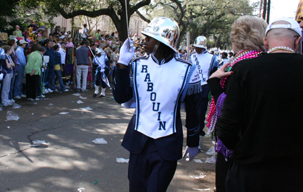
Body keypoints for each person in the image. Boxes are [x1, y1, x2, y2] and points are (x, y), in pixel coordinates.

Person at [113, 17, 201, 192]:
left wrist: (193, 141)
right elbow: (121, 97)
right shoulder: (138, 65)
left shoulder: (187, 70)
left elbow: (193, 111)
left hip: (167, 143)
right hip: (139, 141)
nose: (144, 42)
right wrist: (122, 65)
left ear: (161, 42)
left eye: (149, 38)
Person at [216, 17, 303, 192]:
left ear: (266, 41)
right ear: (298, 41)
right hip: (295, 174)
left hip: (249, 172)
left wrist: (242, 150)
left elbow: (226, 127)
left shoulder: (244, 69)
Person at [205, 16, 267, 192]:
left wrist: (214, 83)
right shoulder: (263, 61)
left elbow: (228, 107)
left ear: (237, 39)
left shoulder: (240, 67)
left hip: (237, 147)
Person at [186, 36, 218, 138]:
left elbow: (214, 72)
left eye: (198, 47)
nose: (196, 49)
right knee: (191, 110)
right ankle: (190, 128)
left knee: (200, 111)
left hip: (204, 87)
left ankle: (199, 130)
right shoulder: (191, 56)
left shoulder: (212, 58)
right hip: (191, 87)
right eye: (195, 47)